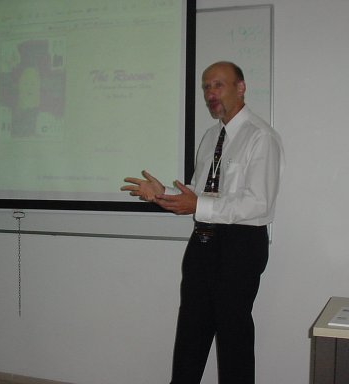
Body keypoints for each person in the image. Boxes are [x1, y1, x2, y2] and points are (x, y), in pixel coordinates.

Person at [121, 61, 283, 384]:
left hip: (240, 247)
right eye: (206, 87)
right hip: (203, 245)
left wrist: (199, 204)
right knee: (190, 339)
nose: (210, 93)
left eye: (218, 85)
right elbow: (197, 194)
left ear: (241, 88)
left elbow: (258, 202)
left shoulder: (261, 138)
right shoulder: (211, 137)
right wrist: (162, 194)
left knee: (233, 341)